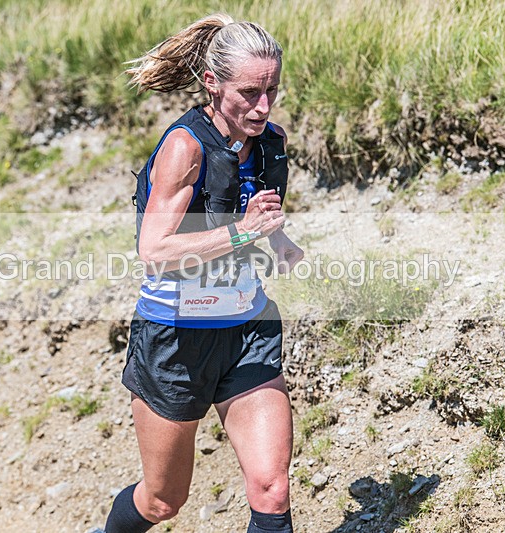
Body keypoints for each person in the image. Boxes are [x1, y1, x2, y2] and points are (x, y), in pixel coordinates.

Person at [100, 13, 304, 533]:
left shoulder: (269, 142)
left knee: (272, 489)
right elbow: (156, 251)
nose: (263, 106)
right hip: (176, 339)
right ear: (212, 83)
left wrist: (278, 240)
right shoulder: (184, 148)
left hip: (246, 330)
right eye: (250, 92)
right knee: (164, 501)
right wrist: (243, 233)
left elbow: (252, 209)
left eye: (272, 90)